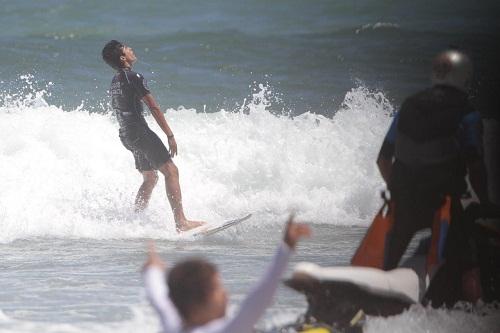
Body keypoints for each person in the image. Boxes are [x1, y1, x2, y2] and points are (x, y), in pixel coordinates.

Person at [376, 49, 491, 271]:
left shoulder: (408, 106)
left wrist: (397, 191)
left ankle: (381, 285)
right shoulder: (468, 113)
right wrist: (484, 203)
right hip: (443, 203)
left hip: (405, 200)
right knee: (468, 263)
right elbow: (475, 164)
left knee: (386, 264)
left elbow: (383, 159)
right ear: (466, 77)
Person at [142, 215, 311, 333]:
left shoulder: (174, 324)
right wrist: (285, 249)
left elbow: (158, 295)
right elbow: (259, 298)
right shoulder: (225, 330)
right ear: (195, 309)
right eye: (217, 289)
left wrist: (152, 268)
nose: (225, 294)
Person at [102, 40, 204, 232]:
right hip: (139, 132)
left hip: (126, 135)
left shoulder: (115, 81)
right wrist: (170, 135)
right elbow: (154, 107)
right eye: (127, 48)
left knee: (150, 178)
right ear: (123, 57)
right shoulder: (134, 77)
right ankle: (181, 222)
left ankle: (136, 221)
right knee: (171, 172)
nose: (131, 48)